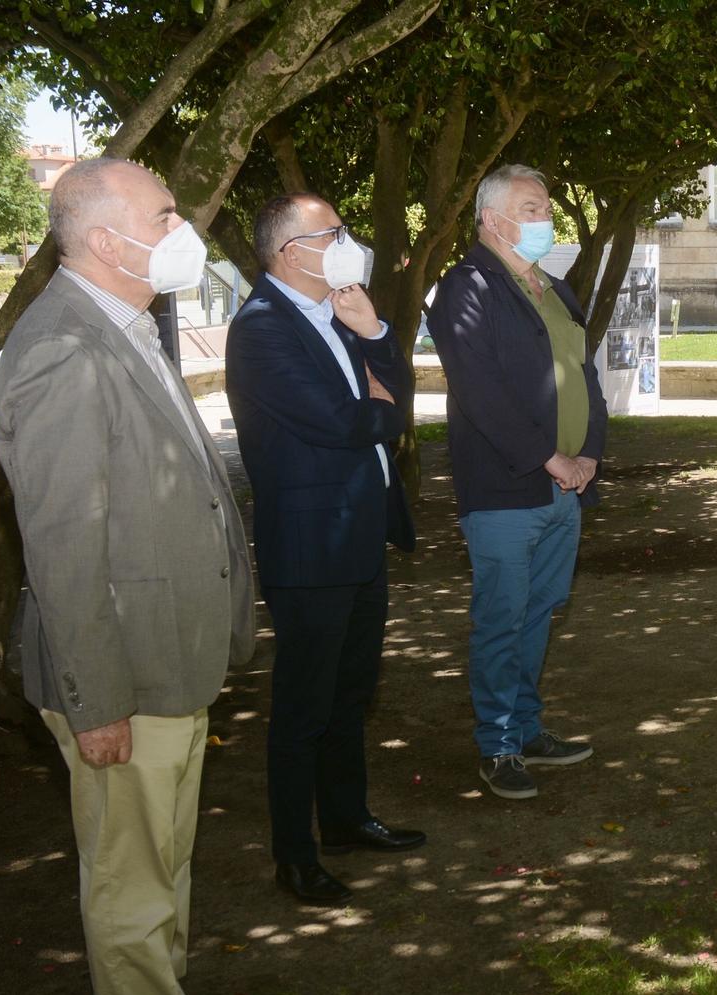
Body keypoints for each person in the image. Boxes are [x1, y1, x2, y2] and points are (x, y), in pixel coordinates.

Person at [0, 158, 271, 995]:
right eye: (166, 214)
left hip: (170, 656)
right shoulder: (64, 346)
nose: (183, 228)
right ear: (109, 241)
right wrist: (97, 699)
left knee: (163, 852)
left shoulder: (125, 320)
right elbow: (65, 546)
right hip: (123, 671)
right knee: (128, 865)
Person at [227, 193, 425, 908]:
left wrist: (374, 336)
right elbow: (346, 422)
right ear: (290, 253)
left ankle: (345, 819)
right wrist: (381, 407)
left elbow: (396, 394)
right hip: (312, 546)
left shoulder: (336, 313)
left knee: (350, 691)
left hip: (359, 533)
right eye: (332, 233)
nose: (346, 242)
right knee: (303, 706)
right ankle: (296, 854)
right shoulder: (260, 328)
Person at [428, 164, 607, 801]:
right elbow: (480, 390)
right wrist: (548, 457)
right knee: (502, 618)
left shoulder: (553, 287)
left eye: (547, 207)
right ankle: (497, 744)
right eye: (533, 207)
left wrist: (587, 454)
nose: (546, 219)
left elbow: (584, 375)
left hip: (566, 488)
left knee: (540, 611)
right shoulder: (465, 287)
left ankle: (527, 728)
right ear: (494, 219)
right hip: (507, 488)